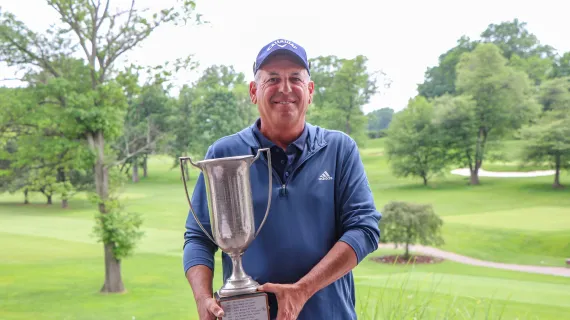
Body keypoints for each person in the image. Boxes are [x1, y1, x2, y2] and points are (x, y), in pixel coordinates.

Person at [183, 38, 382, 320]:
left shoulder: (339, 149)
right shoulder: (224, 153)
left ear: (310, 91)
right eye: (272, 79)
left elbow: (364, 229)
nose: (285, 88)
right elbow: (198, 238)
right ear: (254, 91)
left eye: (295, 79)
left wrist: (302, 289)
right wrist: (203, 298)